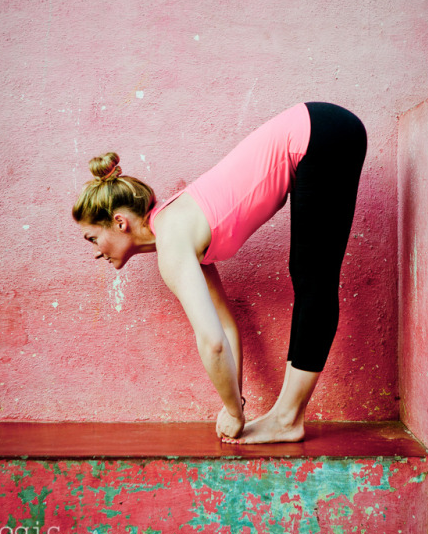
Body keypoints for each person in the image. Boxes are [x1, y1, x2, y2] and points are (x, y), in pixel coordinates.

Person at [72, 102, 367, 444]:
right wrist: (236, 404)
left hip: (322, 135)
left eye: (93, 238)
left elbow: (212, 344)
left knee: (312, 278)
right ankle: (286, 417)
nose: (95, 251)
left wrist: (233, 412)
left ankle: (287, 419)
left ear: (120, 223)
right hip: (318, 133)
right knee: (308, 275)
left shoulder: (172, 243)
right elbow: (224, 328)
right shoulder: (177, 228)